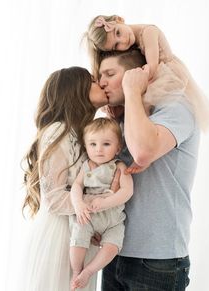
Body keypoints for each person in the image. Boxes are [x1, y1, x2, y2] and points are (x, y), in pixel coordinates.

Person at [92, 47, 202, 290]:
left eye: (110, 74)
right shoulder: (121, 117)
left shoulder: (176, 106)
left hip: (157, 261)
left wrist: (132, 89)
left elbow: (143, 152)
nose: (102, 82)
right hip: (115, 253)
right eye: (100, 76)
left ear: (136, 74)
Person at [20, 67, 111, 291]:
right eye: (92, 80)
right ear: (76, 90)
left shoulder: (84, 134)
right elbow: (54, 197)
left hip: (79, 233)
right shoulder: (57, 131)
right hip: (59, 237)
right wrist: (102, 206)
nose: (100, 82)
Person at [84, 14, 209, 131]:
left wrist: (134, 82)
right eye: (116, 46)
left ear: (119, 19)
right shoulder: (128, 41)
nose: (123, 42)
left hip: (160, 70)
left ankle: (145, 131)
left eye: (118, 33)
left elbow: (152, 66)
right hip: (151, 70)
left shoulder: (148, 32)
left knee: (144, 102)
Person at [69, 117, 133, 290]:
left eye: (106, 144)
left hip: (113, 220)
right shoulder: (86, 166)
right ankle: (77, 270)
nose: (99, 150)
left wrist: (105, 202)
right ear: (86, 146)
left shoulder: (120, 166)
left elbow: (127, 191)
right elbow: (76, 186)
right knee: (78, 238)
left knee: (112, 247)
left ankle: (89, 271)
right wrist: (78, 204)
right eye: (92, 144)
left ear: (118, 147)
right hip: (89, 215)